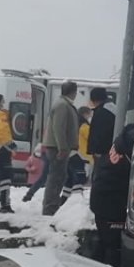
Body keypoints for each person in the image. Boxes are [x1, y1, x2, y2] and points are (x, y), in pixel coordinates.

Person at [90, 124, 134, 267]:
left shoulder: (120, 144)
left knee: (105, 241)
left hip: (101, 200)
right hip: (111, 203)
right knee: (113, 246)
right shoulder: (128, 153)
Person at [42, 81, 80, 216]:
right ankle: (50, 207)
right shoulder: (63, 106)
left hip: (57, 146)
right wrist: (62, 147)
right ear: (73, 92)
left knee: (59, 176)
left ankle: (52, 205)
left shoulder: (63, 104)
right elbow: (59, 127)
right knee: (56, 177)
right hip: (57, 147)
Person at [59, 107, 92, 205]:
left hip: (71, 154)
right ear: (85, 114)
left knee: (69, 180)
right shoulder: (84, 126)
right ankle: (78, 203)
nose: (90, 116)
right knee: (80, 178)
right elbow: (91, 137)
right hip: (81, 156)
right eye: (89, 114)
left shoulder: (72, 124)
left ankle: (63, 201)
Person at [86, 87, 115, 180]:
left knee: (99, 177)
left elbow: (99, 132)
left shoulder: (102, 111)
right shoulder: (112, 108)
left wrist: (96, 150)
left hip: (103, 152)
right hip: (111, 150)